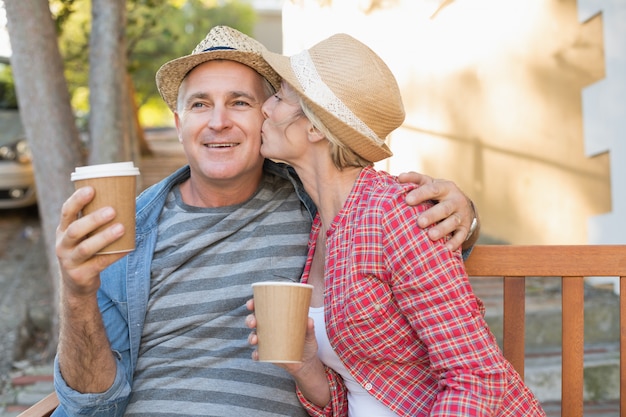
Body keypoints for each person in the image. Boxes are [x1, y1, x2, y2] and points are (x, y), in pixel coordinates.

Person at [52, 26, 479, 417]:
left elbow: (410, 251)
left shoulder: (316, 208)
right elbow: (91, 404)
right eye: (200, 105)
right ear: (180, 126)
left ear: (267, 119)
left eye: (241, 102)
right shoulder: (127, 229)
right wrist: (77, 292)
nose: (218, 122)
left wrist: (463, 215)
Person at [246, 34, 545, 416]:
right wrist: (305, 366)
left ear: (316, 127)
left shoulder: (394, 214)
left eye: (280, 96)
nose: (265, 109)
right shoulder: (322, 226)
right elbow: (362, 392)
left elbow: (477, 377)